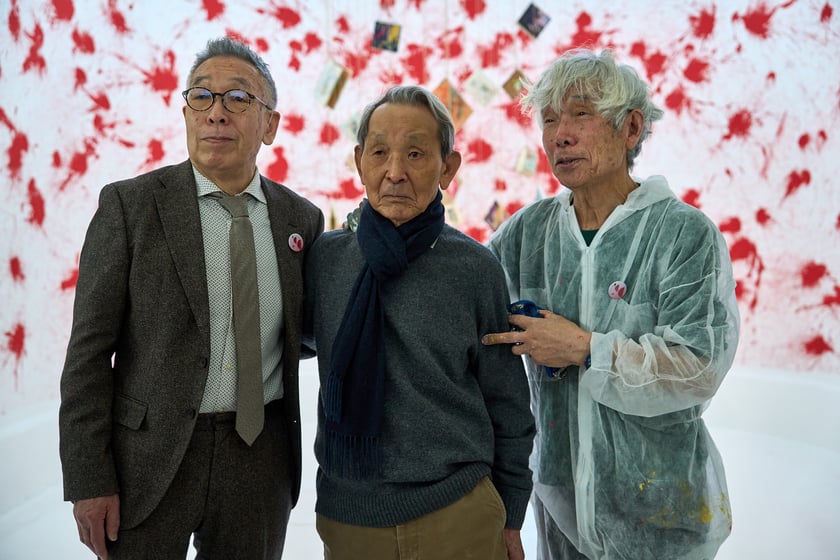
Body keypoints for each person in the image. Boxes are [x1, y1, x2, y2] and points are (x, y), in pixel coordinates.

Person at [58, 36, 324, 559]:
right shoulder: (130, 207)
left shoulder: (301, 220)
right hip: (148, 458)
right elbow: (88, 356)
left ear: (270, 125)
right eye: (201, 96)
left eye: (238, 98)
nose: (216, 112)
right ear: (186, 113)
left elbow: (306, 333)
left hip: (259, 458)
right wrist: (89, 479)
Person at [482, 49, 740, 559]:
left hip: (661, 514)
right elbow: (469, 318)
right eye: (549, 119)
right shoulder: (526, 234)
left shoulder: (682, 235)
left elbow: (698, 367)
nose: (561, 134)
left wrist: (586, 349)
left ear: (631, 128)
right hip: (559, 509)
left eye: (581, 113)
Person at [304, 85, 536, 560]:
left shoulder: (474, 268)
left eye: (415, 154)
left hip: (459, 513)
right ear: (359, 161)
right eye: (379, 153)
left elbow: (508, 402)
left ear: (448, 167)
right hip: (350, 519)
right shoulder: (326, 259)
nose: (395, 172)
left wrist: (511, 511)